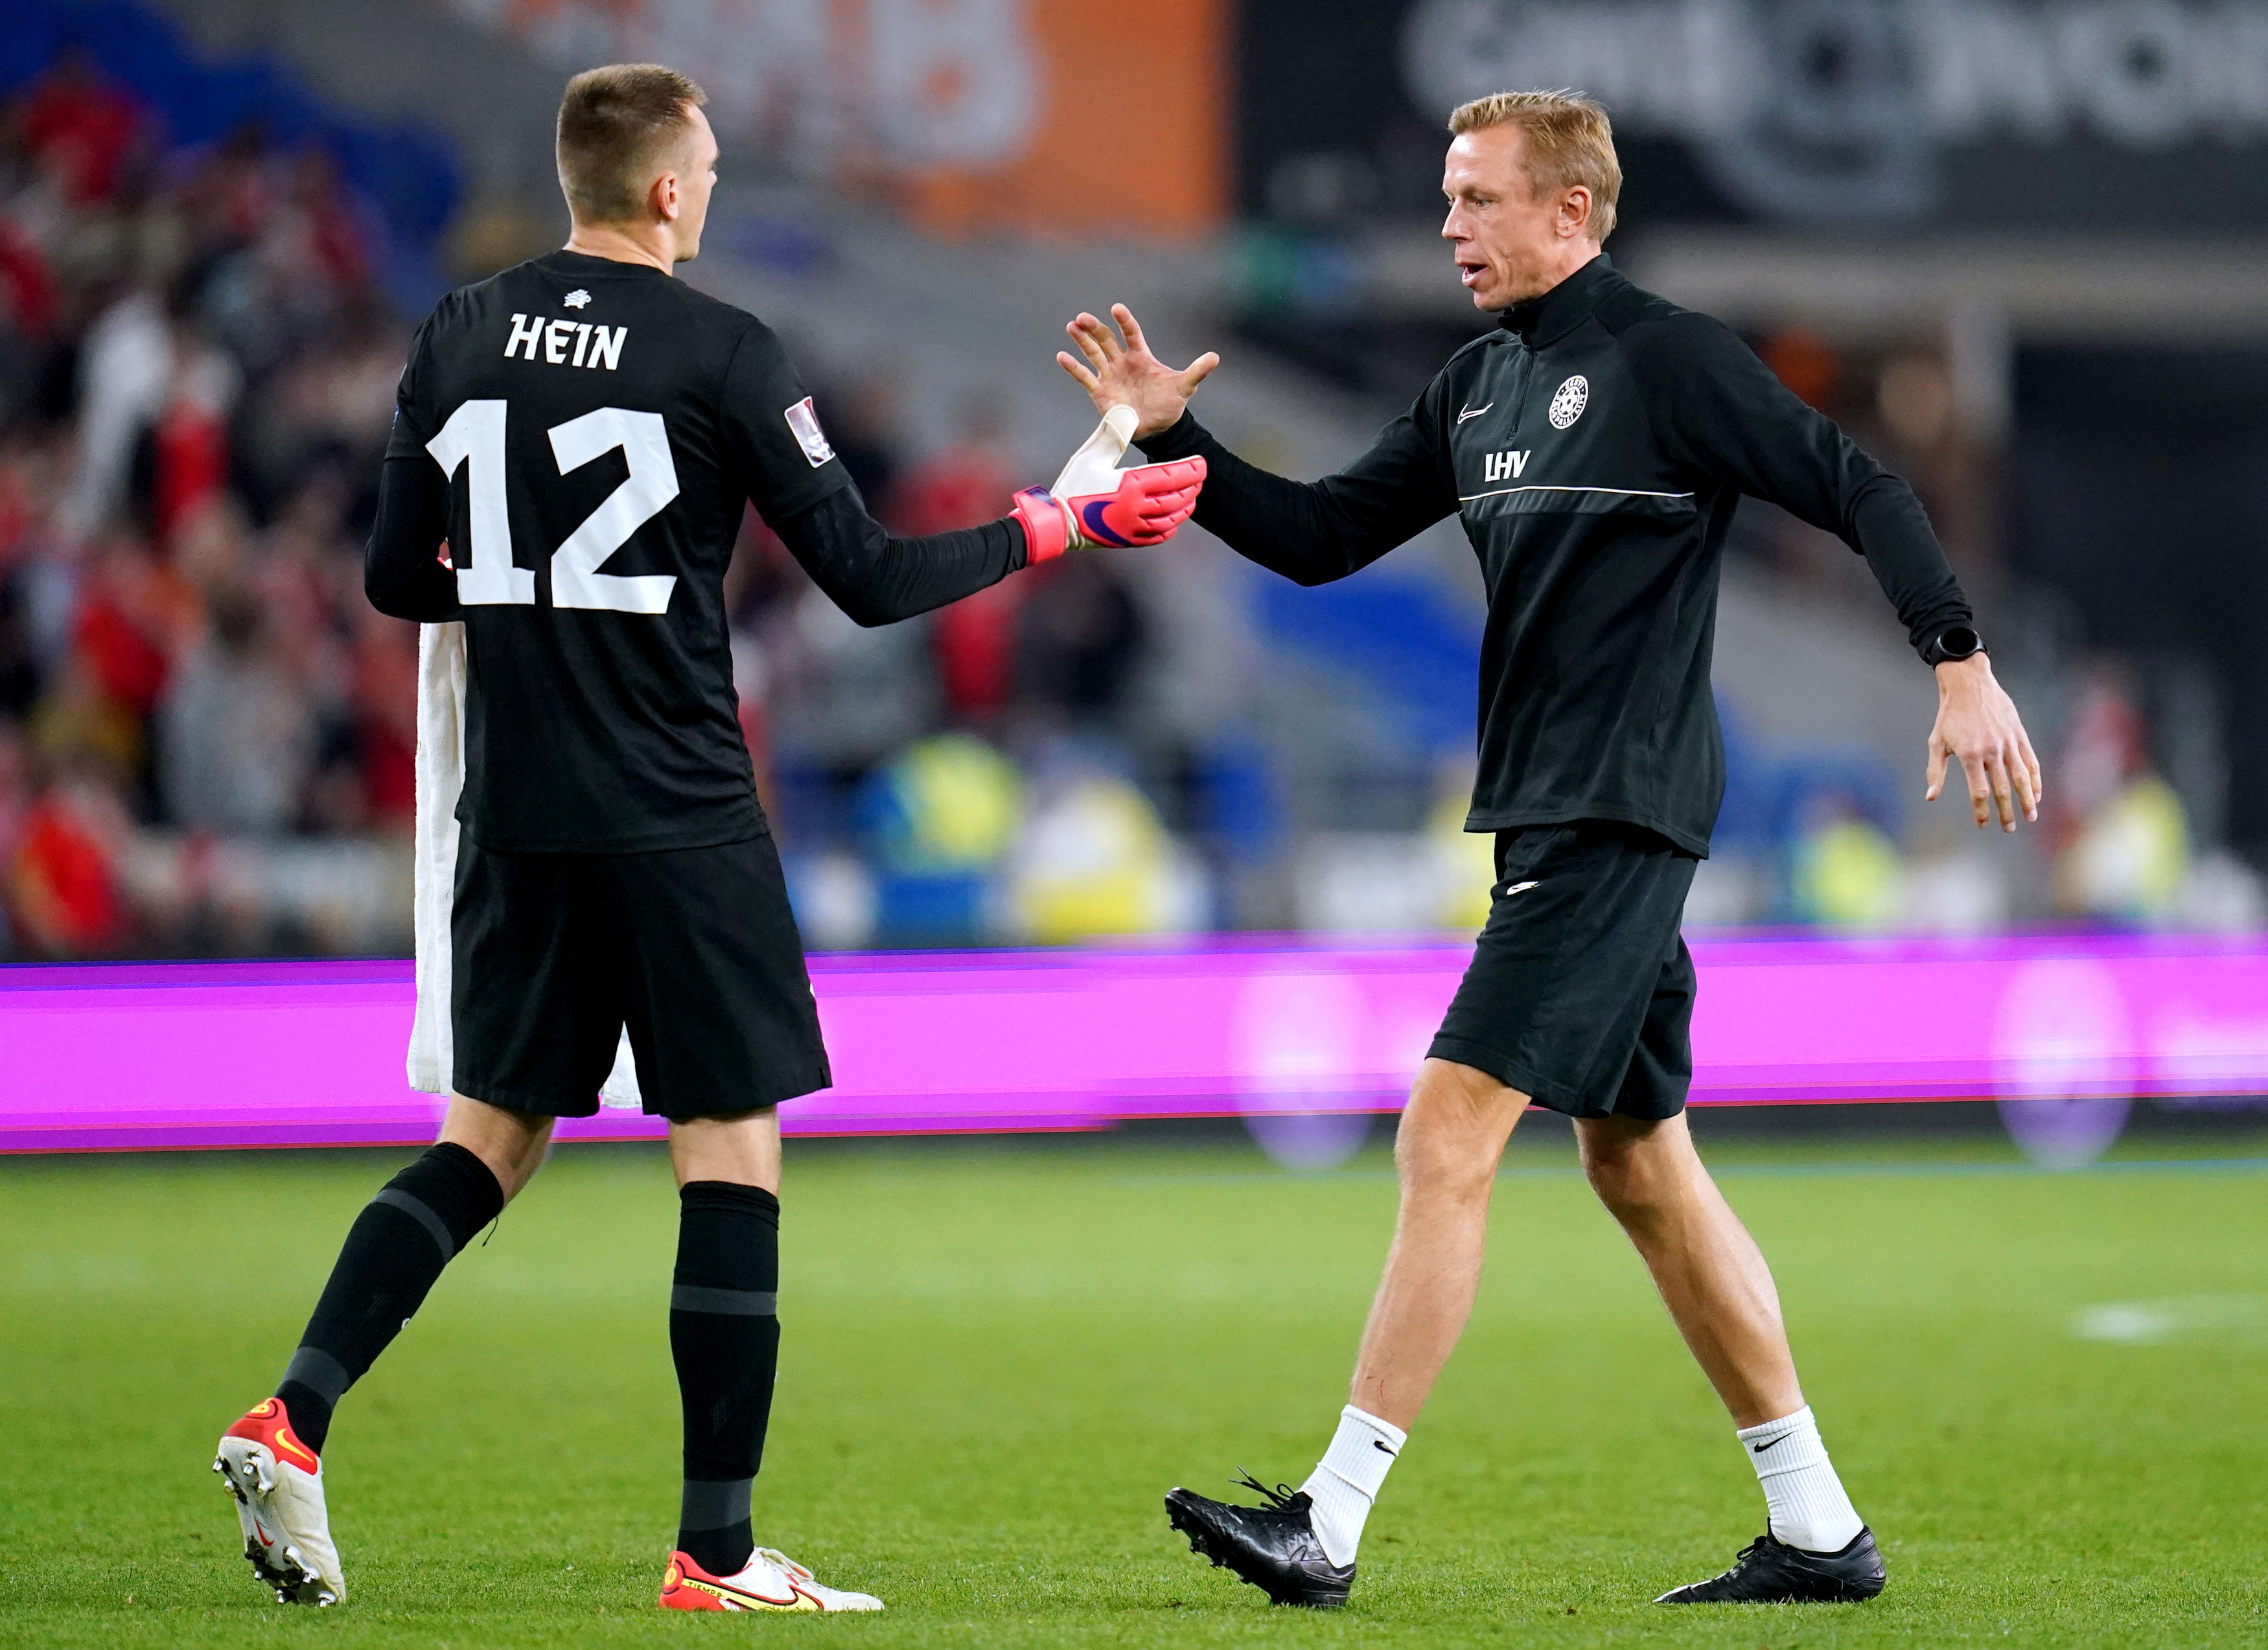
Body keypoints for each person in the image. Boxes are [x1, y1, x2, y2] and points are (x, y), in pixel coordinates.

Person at [210, 63, 1201, 1615]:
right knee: (730, 1149)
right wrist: (1059, 517)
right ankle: (717, 1551)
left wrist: (538, 593)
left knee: (487, 1139)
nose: (717, 188)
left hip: (516, 808)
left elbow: (401, 578)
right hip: (675, 803)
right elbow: (868, 577)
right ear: (668, 188)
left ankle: (293, 1414)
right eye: (714, 169)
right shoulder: (723, 348)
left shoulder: (458, 329)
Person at [1058, 90, 2042, 1609]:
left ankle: (1329, 1515)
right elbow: (1319, 535)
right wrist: (1177, 434)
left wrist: (1956, 658)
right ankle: (1817, 1526)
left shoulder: (1670, 359)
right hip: (1549, 811)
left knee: (1444, 1128)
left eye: (1478, 197)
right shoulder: (1475, 384)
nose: (1449, 224)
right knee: (1639, 1163)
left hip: (1616, 808)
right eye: (1449, 198)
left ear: (1571, 210)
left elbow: (1860, 486)